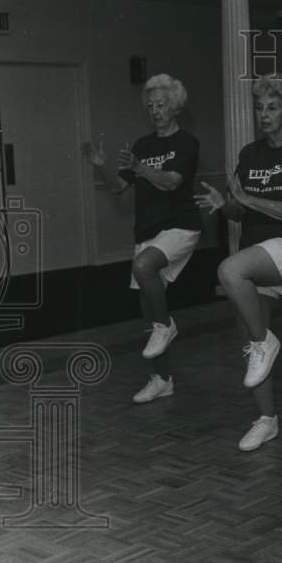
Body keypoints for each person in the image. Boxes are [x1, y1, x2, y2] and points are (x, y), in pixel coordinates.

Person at [195, 75, 282, 451]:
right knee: (251, 341)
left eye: (273, 107)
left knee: (229, 271)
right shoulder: (249, 154)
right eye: (260, 108)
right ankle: (266, 420)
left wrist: (250, 201)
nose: (264, 115)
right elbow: (238, 211)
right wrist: (225, 205)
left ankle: (266, 342)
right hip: (256, 250)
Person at [83, 74, 201, 403]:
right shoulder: (142, 145)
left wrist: (141, 169)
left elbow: (173, 182)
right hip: (148, 230)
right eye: (150, 106)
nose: (155, 111)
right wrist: (101, 167)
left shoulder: (186, 143)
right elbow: (120, 187)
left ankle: (167, 325)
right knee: (147, 310)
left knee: (143, 266)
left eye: (161, 105)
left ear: (175, 106)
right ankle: (161, 379)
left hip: (181, 225)